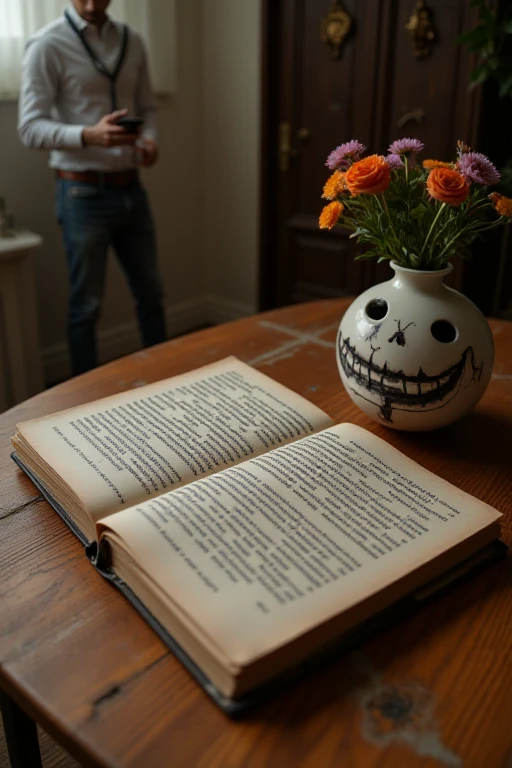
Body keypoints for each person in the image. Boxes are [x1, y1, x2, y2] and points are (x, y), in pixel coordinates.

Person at [18, 0, 167, 376]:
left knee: (152, 295)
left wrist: (149, 141)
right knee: (86, 308)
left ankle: (170, 381)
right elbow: (29, 127)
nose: (90, 4)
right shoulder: (46, 44)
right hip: (81, 195)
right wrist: (88, 135)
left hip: (132, 188)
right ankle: (82, 400)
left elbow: (148, 106)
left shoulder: (133, 40)